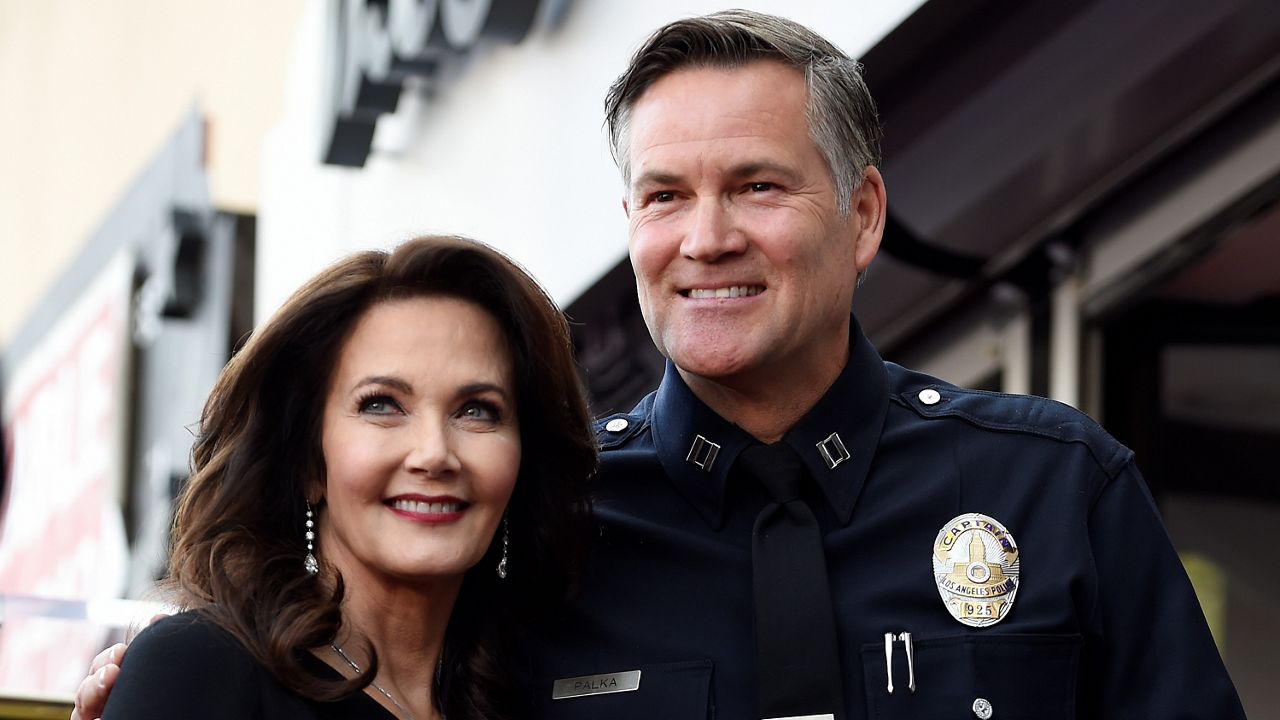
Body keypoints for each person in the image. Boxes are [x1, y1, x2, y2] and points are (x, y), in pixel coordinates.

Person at [76, 10, 1245, 720]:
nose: (704, 238)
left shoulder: (1055, 492)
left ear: (863, 214)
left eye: (755, 186)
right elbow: (360, 671)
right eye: (663, 197)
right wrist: (185, 677)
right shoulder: (539, 530)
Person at [92, 235, 595, 720]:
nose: (435, 453)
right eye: (381, 405)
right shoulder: (200, 668)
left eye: (478, 411)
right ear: (309, 461)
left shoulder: (542, 695)